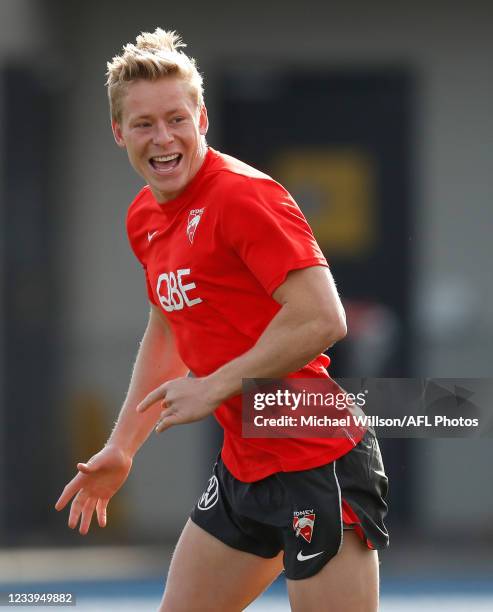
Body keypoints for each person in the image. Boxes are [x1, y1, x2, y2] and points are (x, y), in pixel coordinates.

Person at [55, 28, 388, 612]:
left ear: (201, 118)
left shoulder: (243, 198)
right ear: (118, 133)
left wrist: (214, 385)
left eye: (176, 119)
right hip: (246, 461)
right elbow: (168, 326)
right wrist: (123, 446)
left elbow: (322, 318)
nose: (163, 138)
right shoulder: (144, 216)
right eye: (143, 124)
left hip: (317, 456)